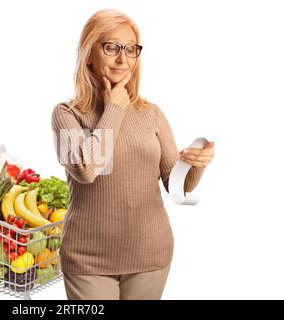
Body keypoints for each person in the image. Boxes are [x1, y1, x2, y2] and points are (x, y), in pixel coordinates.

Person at [51, 9, 215, 300]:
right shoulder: (67, 114)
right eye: (111, 47)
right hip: (87, 261)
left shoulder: (151, 114)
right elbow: (85, 170)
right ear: (89, 53)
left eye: (130, 49)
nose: (122, 59)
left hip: (150, 256)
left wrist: (195, 165)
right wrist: (114, 108)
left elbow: (175, 185)